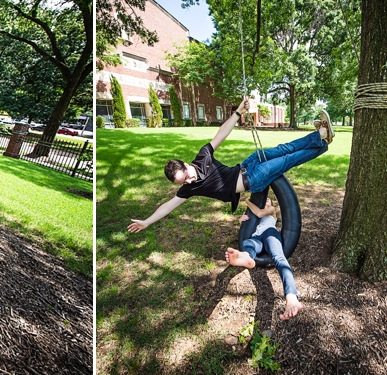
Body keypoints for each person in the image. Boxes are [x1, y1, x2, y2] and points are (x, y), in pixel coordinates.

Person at [127, 95, 334, 233]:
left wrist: (237, 113)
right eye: (184, 182)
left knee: (284, 149)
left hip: (247, 164)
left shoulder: (202, 156)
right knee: (286, 160)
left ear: (184, 164)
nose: (189, 181)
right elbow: (167, 206)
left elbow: (221, 134)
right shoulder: (189, 189)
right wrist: (146, 221)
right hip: (253, 179)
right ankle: (322, 140)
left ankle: (321, 136)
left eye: (187, 176)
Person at [225, 197, 303, 320]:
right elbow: (248, 224)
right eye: (264, 199)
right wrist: (242, 220)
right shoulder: (254, 214)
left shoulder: (271, 210)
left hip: (270, 233)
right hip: (257, 237)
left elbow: (260, 213)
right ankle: (248, 257)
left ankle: (292, 298)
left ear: (271, 204)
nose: (265, 200)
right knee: (248, 243)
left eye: (268, 200)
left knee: (279, 259)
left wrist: (247, 201)